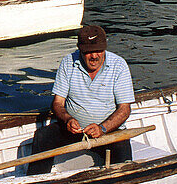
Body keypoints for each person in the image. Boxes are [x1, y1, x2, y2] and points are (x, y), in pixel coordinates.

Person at [27, 24, 135, 174]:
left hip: (109, 132)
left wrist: (102, 128)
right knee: (43, 136)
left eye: (99, 50)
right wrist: (67, 119)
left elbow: (124, 109)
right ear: (80, 49)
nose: (94, 56)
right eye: (89, 52)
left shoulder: (119, 66)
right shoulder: (68, 63)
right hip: (74, 131)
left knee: (124, 169)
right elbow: (58, 103)